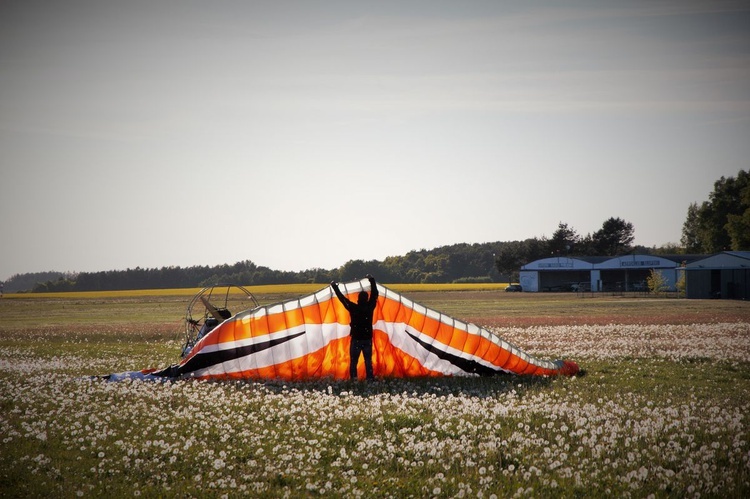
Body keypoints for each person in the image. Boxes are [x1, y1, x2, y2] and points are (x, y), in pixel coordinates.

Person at [331, 274, 379, 381]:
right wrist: (372, 280)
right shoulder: (370, 307)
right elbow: (375, 294)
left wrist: (335, 287)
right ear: (367, 299)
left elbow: (342, 299)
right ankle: (370, 379)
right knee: (368, 361)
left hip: (356, 339)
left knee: (354, 362)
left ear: (358, 299)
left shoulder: (354, 308)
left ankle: (354, 380)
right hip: (367, 339)